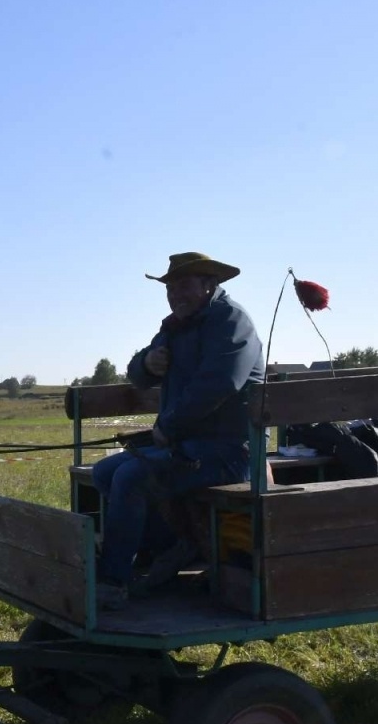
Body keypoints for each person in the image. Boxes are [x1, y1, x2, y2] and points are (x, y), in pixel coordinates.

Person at [90, 252, 265, 608]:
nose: (175, 294)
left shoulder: (231, 322)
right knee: (105, 471)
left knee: (131, 478)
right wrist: (147, 363)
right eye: (170, 288)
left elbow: (218, 385)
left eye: (183, 285)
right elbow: (138, 375)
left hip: (228, 453)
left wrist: (168, 426)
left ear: (208, 285)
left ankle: (112, 581)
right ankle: (172, 548)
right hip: (186, 448)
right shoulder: (175, 326)